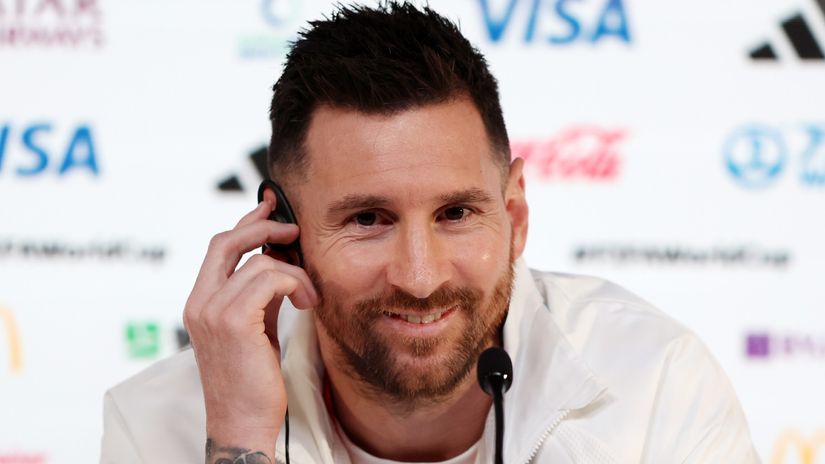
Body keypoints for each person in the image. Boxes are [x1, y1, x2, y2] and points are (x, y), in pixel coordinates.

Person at [100, 3, 759, 463]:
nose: (420, 276)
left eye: (455, 214)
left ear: (515, 217)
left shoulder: (655, 382)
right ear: (283, 238)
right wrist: (242, 437)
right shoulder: (162, 418)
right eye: (367, 220)